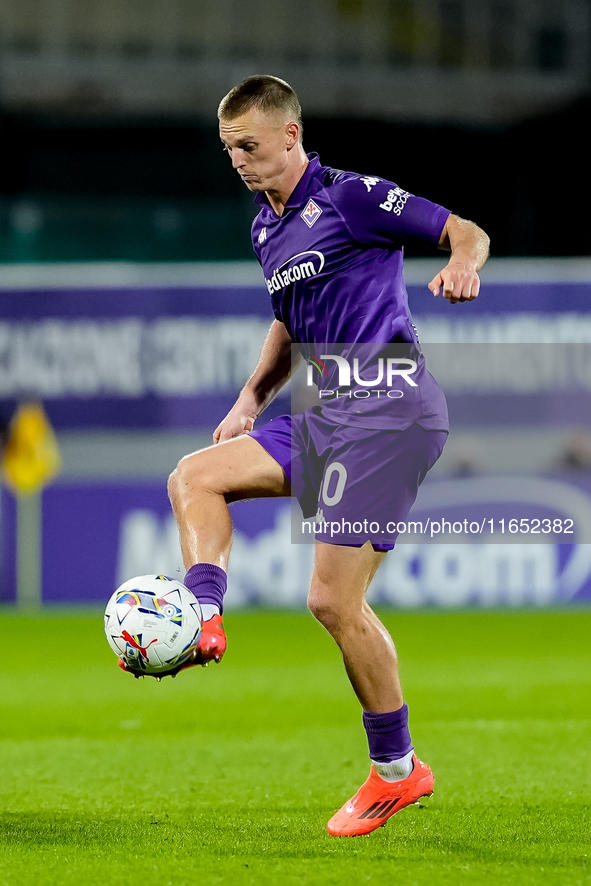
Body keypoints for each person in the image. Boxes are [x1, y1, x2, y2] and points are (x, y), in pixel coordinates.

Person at [163, 75, 489, 836]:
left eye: (247, 145)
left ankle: (396, 775)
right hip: (328, 411)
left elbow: (461, 228)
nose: (237, 160)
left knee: (330, 602)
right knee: (195, 477)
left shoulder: (351, 198)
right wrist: (251, 400)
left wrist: (463, 262)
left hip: (390, 408)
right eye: (227, 149)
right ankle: (203, 617)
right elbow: (288, 321)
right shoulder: (264, 228)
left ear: (288, 134)